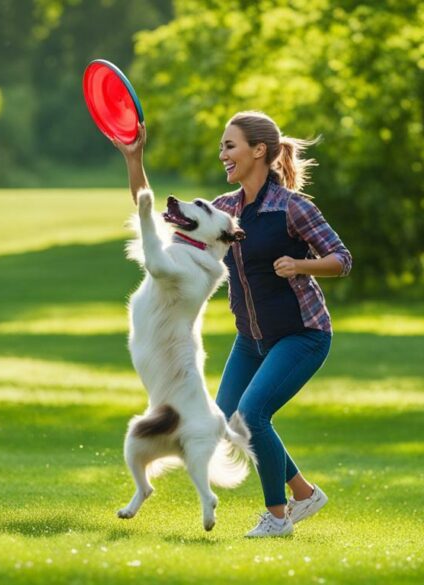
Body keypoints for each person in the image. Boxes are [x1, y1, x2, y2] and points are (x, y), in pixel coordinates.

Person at [113, 111, 352, 538]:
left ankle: (278, 518)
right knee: (227, 421)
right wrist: (135, 159)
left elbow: (342, 259)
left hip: (302, 334)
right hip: (251, 339)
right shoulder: (223, 212)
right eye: (222, 146)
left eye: (229, 146)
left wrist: (301, 264)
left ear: (259, 151)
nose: (222, 154)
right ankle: (304, 493)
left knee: (252, 414)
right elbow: (152, 219)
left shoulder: (292, 208)